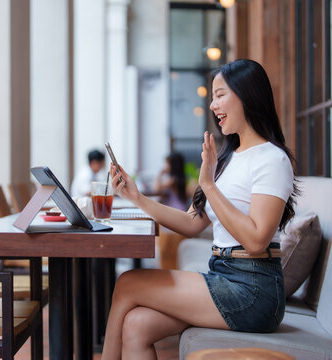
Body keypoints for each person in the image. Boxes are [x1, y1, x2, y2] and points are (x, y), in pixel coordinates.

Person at [102, 59, 298, 359]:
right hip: (223, 274)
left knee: (128, 282)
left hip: (254, 290)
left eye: (220, 95)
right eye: (212, 96)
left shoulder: (272, 159)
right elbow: (191, 223)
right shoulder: (230, 157)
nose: (212, 105)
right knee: (136, 325)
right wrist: (137, 197)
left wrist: (208, 184)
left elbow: (257, 240)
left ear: (246, 95)